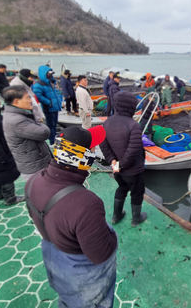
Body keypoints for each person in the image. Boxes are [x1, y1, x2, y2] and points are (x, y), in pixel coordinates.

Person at [25, 127, 117, 307]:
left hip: (55, 260)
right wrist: (112, 237)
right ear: (83, 157)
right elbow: (100, 255)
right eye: (91, 150)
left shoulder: (33, 181)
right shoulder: (87, 203)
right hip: (83, 276)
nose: (93, 152)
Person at [100, 91, 148, 226]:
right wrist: (122, 164)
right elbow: (133, 150)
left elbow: (103, 144)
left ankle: (116, 216)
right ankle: (136, 219)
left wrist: (113, 161)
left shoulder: (107, 123)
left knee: (121, 188)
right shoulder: (133, 125)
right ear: (131, 107)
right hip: (133, 171)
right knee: (137, 193)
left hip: (117, 170)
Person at [2, 85, 51, 180]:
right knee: (41, 192)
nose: (31, 101)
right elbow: (44, 132)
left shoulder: (16, 115)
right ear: (16, 101)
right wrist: (39, 121)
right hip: (35, 167)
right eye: (28, 98)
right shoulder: (17, 121)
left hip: (35, 162)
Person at [33, 65, 62, 145]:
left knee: (54, 125)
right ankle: (51, 142)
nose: (51, 75)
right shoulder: (39, 84)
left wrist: (59, 100)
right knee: (50, 125)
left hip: (55, 107)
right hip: (48, 108)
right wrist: (48, 102)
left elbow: (56, 92)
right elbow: (38, 95)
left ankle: (53, 140)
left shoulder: (50, 82)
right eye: (49, 73)